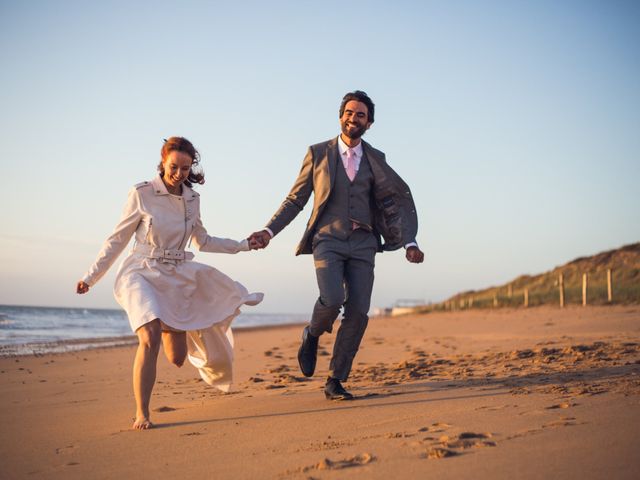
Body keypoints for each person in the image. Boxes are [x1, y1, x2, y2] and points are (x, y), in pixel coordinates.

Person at [77, 136, 262, 429]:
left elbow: (203, 241)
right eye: (173, 166)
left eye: (185, 168)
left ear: (192, 168)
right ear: (163, 162)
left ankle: (168, 320)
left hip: (176, 275)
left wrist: (244, 244)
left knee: (176, 358)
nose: (178, 173)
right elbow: (117, 239)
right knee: (149, 337)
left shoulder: (192, 199)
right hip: (141, 270)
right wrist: (91, 277)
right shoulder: (142, 193)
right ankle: (142, 413)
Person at [249, 90, 424, 400]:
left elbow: (393, 202)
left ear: (369, 123)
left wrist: (409, 241)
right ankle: (312, 333)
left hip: (364, 243)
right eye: (349, 112)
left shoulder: (376, 160)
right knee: (331, 299)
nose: (353, 118)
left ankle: (335, 380)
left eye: (360, 115)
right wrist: (268, 230)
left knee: (358, 312)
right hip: (327, 239)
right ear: (340, 115)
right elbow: (296, 199)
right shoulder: (318, 153)